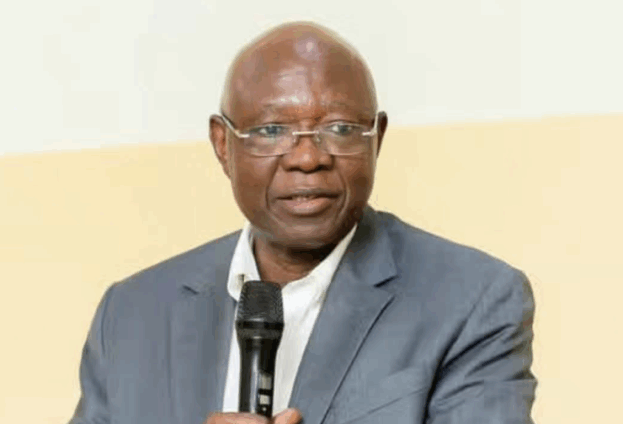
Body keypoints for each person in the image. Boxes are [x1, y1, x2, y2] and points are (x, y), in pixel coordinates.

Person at [69, 22, 536, 424]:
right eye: (272, 130)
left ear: (377, 139)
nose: (308, 158)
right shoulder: (130, 314)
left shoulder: (471, 300)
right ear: (222, 144)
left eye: (341, 129)